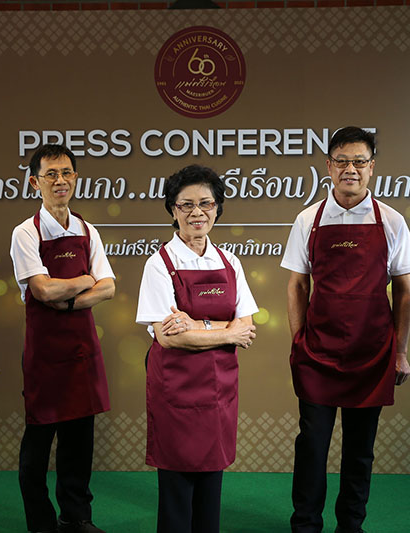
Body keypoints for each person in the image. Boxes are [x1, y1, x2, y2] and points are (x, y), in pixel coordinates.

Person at [281, 127, 410, 533]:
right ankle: (305, 525)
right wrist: (298, 342)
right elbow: (297, 285)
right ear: (329, 166)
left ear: (372, 167)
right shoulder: (308, 219)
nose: (350, 169)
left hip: (372, 354)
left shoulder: (391, 221)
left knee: (360, 452)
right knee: (311, 446)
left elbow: (405, 290)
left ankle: (351, 526)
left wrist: (400, 352)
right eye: (342, 161)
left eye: (359, 161)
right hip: (317, 354)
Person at [136, 164, 258, 533]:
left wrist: (197, 324)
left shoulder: (229, 262)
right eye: (186, 204)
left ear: (217, 208)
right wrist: (226, 331)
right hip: (176, 390)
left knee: (210, 485)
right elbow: (169, 337)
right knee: (177, 489)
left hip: (219, 390)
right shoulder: (159, 264)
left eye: (206, 203)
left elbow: (246, 327)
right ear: (172, 210)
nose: (196, 213)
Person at [10, 144, 115, 533]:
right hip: (45, 355)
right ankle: (41, 522)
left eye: (66, 172)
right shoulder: (26, 233)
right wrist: (86, 280)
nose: (60, 180)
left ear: (76, 178)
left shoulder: (88, 230)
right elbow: (42, 290)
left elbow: (108, 288)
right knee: (37, 446)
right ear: (34, 182)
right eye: (51, 174)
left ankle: (76, 517)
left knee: (79, 443)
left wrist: (69, 300)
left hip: (82, 352)